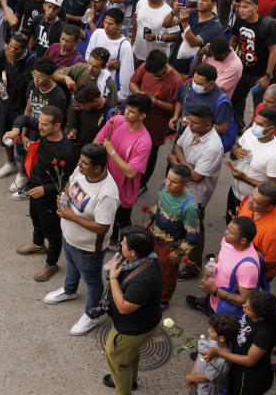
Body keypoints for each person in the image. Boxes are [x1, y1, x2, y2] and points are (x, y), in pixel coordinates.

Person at [46, 143, 120, 336]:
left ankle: (92, 315)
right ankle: (69, 290)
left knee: (92, 280)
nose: (79, 164)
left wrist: (72, 217)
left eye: (85, 163)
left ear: (98, 167)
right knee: (71, 263)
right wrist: (64, 197)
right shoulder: (81, 170)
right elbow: (71, 182)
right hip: (69, 236)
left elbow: (103, 227)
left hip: (88, 248)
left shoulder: (107, 194)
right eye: (80, 160)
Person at [12, 105, 78, 282]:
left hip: (49, 195)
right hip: (35, 187)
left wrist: (45, 189)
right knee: (35, 217)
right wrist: (15, 130)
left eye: (44, 125)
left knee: (53, 231)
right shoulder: (44, 131)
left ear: (57, 126)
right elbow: (24, 119)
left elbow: (68, 181)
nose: (39, 127)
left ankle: (51, 263)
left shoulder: (67, 151)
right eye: (39, 123)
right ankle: (38, 244)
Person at [102, 226, 163, 395]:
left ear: (134, 252)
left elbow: (123, 307)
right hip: (145, 322)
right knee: (131, 354)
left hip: (131, 329)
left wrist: (113, 278)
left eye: (123, 244)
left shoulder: (144, 279)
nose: (120, 245)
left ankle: (124, 389)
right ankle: (131, 380)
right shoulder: (148, 257)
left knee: (116, 358)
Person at [169, 104, 226, 277]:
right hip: (179, 187)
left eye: (194, 123)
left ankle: (194, 265)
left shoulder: (213, 147)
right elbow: (177, 147)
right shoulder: (191, 129)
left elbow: (196, 178)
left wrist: (176, 164)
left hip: (195, 196)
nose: (189, 124)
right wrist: (187, 166)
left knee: (194, 231)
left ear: (207, 125)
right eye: (190, 121)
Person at [95, 94, 153, 239]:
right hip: (104, 183)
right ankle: (113, 240)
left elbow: (131, 173)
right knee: (106, 217)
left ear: (143, 115)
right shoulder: (115, 121)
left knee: (123, 220)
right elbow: (95, 143)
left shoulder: (144, 141)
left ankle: (127, 248)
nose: (126, 112)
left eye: (132, 111)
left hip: (124, 190)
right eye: (127, 108)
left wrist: (111, 151)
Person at [202, 290, 276, 395]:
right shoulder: (256, 313)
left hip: (248, 378)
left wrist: (217, 353)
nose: (244, 306)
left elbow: (249, 361)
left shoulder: (264, 333)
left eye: (248, 308)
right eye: (246, 302)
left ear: (260, 317)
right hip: (237, 368)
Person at [144, 165, 200, 308]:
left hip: (170, 249)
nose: (167, 183)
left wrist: (177, 253)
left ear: (185, 184)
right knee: (150, 268)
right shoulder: (164, 185)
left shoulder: (189, 208)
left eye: (173, 182)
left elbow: (193, 236)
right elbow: (159, 205)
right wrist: (149, 221)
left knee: (167, 277)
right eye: (168, 178)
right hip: (153, 238)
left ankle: (163, 301)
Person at [130, 49, 183, 192]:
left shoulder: (176, 81)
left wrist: (156, 103)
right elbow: (133, 83)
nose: (153, 76)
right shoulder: (147, 67)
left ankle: (142, 183)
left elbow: (174, 108)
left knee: (150, 154)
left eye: (156, 74)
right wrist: (140, 94)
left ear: (165, 66)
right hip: (137, 121)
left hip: (156, 126)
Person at [186, 216, 261, 316]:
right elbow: (221, 255)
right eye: (228, 228)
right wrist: (211, 264)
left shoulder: (248, 267)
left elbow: (244, 300)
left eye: (230, 232)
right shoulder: (229, 241)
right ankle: (208, 305)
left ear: (242, 241)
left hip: (226, 312)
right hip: (214, 295)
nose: (225, 232)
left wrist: (215, 290)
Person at [229, 0, 276, 127]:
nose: (241, 10)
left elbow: (273, 51)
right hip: (241, 71)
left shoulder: (266, 26)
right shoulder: (239, 20)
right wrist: (228, 62)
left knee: (260, 107)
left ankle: (255, 132)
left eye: (245, 7)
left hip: (259, 76)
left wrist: (267, 76)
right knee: (236, 100)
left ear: (255, 8)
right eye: (240, 6)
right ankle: (238, 127)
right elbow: (234, 41)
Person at [227, 107, 276, 219]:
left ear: (271, 128)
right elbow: (234, 152)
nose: (255, 126)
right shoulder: (249, 133)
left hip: (252, 203)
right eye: (255, 122)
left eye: (259, 124)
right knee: (230, 222)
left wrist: (244, 178)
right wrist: (235, 151)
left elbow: (275, 188)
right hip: (234, 192)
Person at [0, 33, 33, 181]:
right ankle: (10, 163)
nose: (11, 51)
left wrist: (11, 64)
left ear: (24, 49)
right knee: (6, 136)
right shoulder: (2, 54)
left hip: (22, 107)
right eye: (10, 46)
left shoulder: (31, 60)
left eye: (16, 49)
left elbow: (23, 85)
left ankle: (22, 173)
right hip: (5, 103)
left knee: (21, 141)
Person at [236, 182, 276, 279]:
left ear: (269, 207)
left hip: (257, 274)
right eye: (251, 195)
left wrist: (243, 247)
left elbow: (270, 263)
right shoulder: (250, 200)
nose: (249, 201)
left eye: (257, 202)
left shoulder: (274, 232)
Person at [167, 0, 221, 75]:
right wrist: (174, 11)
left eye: (205, 0)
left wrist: (184, 23)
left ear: (213, 4)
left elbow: (193, 42)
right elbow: (166, 24)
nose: (200, 2)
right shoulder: (191, 12)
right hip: (174, 62)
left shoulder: (215, 26)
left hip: (191, 70)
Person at [85, 8, 134, 102]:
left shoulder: (125, 46)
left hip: (109, 92)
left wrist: (119, 98)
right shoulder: (97, 33)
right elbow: (87, 58)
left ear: (119, 25)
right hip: (91, 86)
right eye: (105, 22)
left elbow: (126, 76)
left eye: (110, 24)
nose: (106, 26)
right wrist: (107, 66)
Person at [183, 313, 238, 395]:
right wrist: (192, 374)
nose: (208, 330)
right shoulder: (213, 340)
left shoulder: (221, 361)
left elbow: (206, 377)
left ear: (221, 338)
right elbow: (200, 354)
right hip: (196, 381)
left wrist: (189, 377)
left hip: (205, 391)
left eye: (212, 330)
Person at [131, 0, 174, 67]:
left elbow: (175, 36)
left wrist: (156, 37)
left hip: (156, 60)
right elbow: (136, 23)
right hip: (137, 54)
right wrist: (132, 44)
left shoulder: (168, 12)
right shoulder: (141, 3)